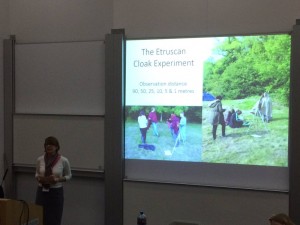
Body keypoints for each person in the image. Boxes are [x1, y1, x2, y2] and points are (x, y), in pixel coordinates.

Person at [35, 136, 72, 225]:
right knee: (40, 217)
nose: (49, 146)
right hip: (41, 192)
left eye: (51, 144)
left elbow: (69, 175)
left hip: (55, 192)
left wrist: (58, 179)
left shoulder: (63, 160)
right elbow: (36, 174)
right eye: (47, 144)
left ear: (56, 147)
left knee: (54, 219)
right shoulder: (40, 159)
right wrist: (39, 178)